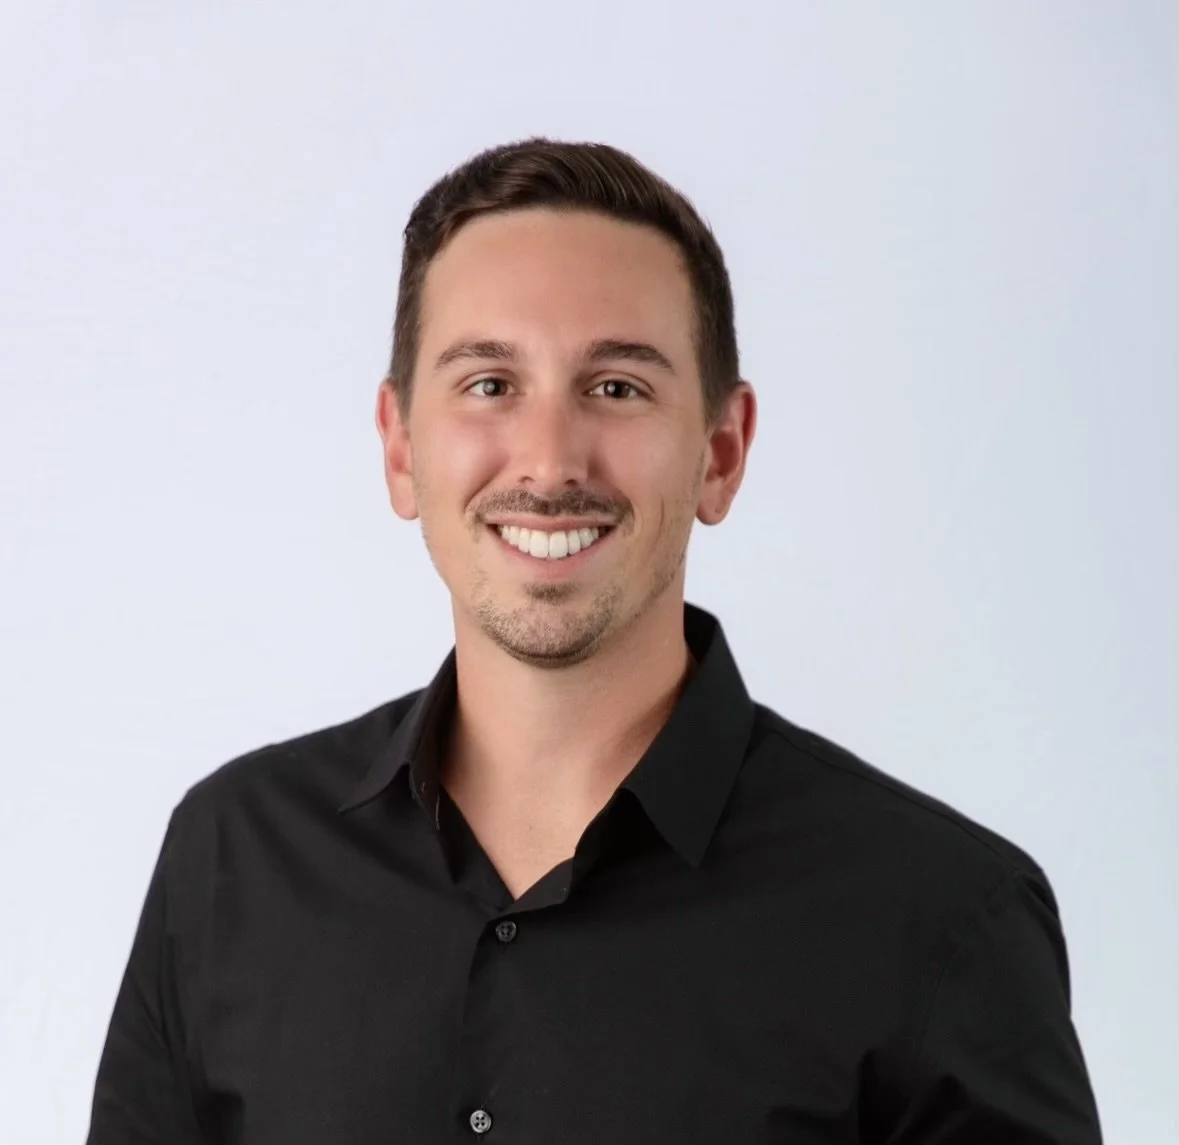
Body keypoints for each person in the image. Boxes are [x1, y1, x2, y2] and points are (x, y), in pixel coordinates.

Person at [87, 137, 1103, 1144]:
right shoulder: (232, 859)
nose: (549, 457)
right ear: (399, 448)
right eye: (489, 382)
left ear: (720, 452)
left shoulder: (942, 916)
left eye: (617, 386)